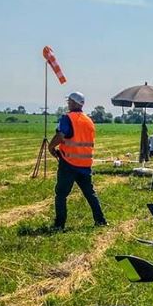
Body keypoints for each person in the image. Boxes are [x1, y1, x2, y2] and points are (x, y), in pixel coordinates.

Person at [48, 91, 107, 231]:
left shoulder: (67, 118)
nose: (68, 103)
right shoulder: (89, 120)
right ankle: (101, 221)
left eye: (69, 101)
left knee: (61, 194)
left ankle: (59, 225)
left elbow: (61, 135)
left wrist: (51, 147)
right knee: (90, 194)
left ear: (74, 103)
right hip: (85, 165)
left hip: (68, 163)